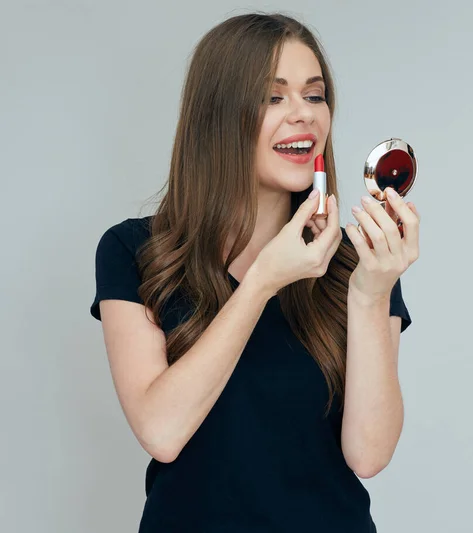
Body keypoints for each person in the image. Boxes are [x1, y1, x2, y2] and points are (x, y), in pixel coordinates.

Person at [90, 12, 420, 533]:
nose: (303, 115)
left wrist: (372, 294)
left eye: (314, 96)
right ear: (218, 115)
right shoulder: (134, 251)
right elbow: (162, 430)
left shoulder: (357, 262)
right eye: (273, 97)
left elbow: (369, 455)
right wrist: (264, 280)